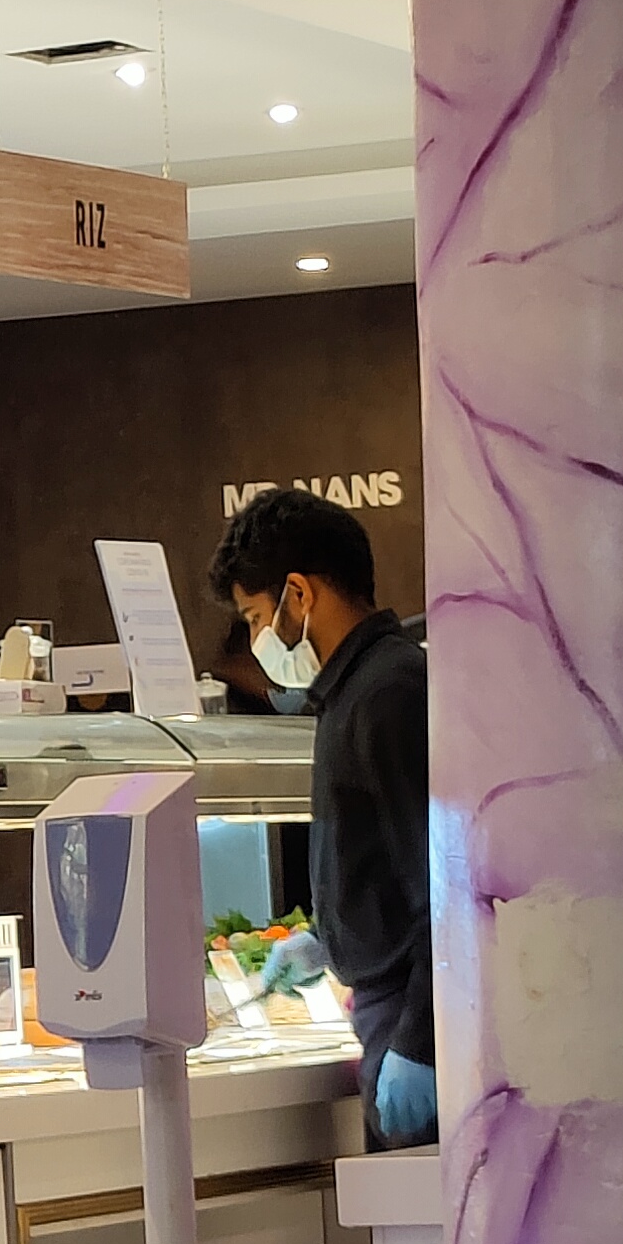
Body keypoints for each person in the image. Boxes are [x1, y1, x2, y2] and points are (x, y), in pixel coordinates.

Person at [204, 487, 436, 1145]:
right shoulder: (349, 692)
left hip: (408, 1013)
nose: (257, 640)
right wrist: (329, 944)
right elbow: (381, 865)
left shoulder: (389, 692)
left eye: (255, 617)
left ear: (299, 595)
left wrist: (420, 1044)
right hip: (384, 1005)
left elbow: (443, 885)